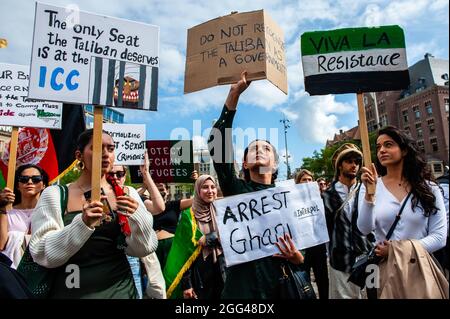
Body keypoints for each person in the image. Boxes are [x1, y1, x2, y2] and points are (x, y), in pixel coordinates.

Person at [207, 71, 304, 299]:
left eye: (267, 148)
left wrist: (295, 257)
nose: (260, 150)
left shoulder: (289, 198)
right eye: (253, 148)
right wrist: (234, 94)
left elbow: (303, 256)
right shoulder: (237, 190)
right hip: (241, 293)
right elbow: (217, 142)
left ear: (276, 164)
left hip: (277, 289)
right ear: (244, 163)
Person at [29, 129, 157, 298]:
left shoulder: (127, 193)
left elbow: (144, 248)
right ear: (79, 155)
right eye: (97, 148)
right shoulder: (55, 195)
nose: (105, 154)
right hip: (71, 289)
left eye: (110, 149)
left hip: (120, 289)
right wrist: (82, 224)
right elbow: (41, 253)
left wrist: (139, 218)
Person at [357, 126, 447, 296]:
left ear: (404, 150)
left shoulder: (430, 188)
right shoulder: (370, 185)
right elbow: (364, 228)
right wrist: (370, 197)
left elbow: (439, 237)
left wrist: (396, 250)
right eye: (378, 147)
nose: (382, 150)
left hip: (420, 267)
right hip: (382, 269)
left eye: (388, 145)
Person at [322, 143, 374, 299]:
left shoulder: (367, 190)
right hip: (340, 262)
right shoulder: (326, 196)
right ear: (339, 165)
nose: (354, 165)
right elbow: (325, 230)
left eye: (357, 162)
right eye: (349, 161)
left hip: (368, 259)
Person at [109, 161, 165, 299]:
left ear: (125, 174)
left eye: (120, 174)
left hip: (131, 253)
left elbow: (159, 207)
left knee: (135, 294)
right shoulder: (98, 194)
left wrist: (146, 175)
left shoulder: (131, 192)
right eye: (111, 174)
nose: (116, 178)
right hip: (107, 254)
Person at [164, 175, 224, 299]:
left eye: (213, 187)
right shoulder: (188, 216)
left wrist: (210, 238)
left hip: (223, 271)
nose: (210, 191)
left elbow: (232, 234)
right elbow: (183, 253)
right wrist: (187, 285)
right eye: (205, 187)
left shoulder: (223, 211)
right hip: (200, 276)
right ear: (197, 190)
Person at [0, 164, 49, 268]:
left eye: (36, 179)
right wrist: (2, 209)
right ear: (17, 185)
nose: (30, 182)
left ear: (44, 184)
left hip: (42, 271)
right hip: (11, 272)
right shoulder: (6, 213)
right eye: (24, 179)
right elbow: (1, 245)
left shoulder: (50, 213)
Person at [149, 173, 197, 270]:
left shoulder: (174, 205)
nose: (159, 192)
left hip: (172, 246)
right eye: (157, 190)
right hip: (153, 248)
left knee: (175, 276)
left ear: (167, 191)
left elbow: (196, 200)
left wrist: (195, 181)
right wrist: (145, 185)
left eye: (162, 189)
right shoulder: (146, 205)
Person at [294, 169, 329, 300]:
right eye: (304, 180)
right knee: (304, 281)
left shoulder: (320, 199)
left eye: (310, 180)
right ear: (298, 183)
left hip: (318, 245)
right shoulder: (293, 203)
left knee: (323, 280)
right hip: (302, 248)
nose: (308, 182)